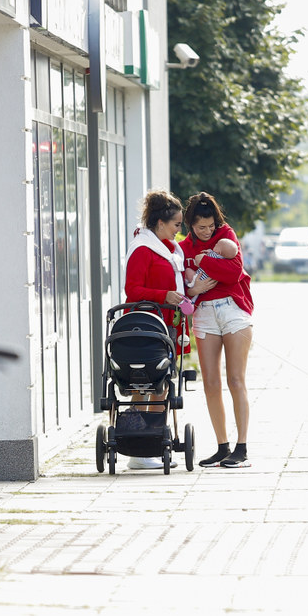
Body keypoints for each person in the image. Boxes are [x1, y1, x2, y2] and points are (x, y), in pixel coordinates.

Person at [122, 190, 210, 469]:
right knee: (144, 383)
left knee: (161, 385)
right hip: (145, 326)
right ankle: (138, 449)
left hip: (166, 324)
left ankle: (151, 444)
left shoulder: (169, 250)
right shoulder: (143, 249)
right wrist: (165, 295)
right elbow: (132, 289)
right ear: (160, 224)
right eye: (176, 225)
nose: (178, 230)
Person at [180, 192, 255, 468]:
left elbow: (233, 272)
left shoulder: (226, 235)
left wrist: (204, 262)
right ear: (191, 225)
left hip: (233, 310)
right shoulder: (184, 246)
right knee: (211, 383)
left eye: (211, 225)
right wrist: (193, 288)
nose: (208, 231)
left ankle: (242, 448)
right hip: (204, 315)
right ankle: (222, 447)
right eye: (201, 227)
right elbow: (182, 283)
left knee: (236, 380)